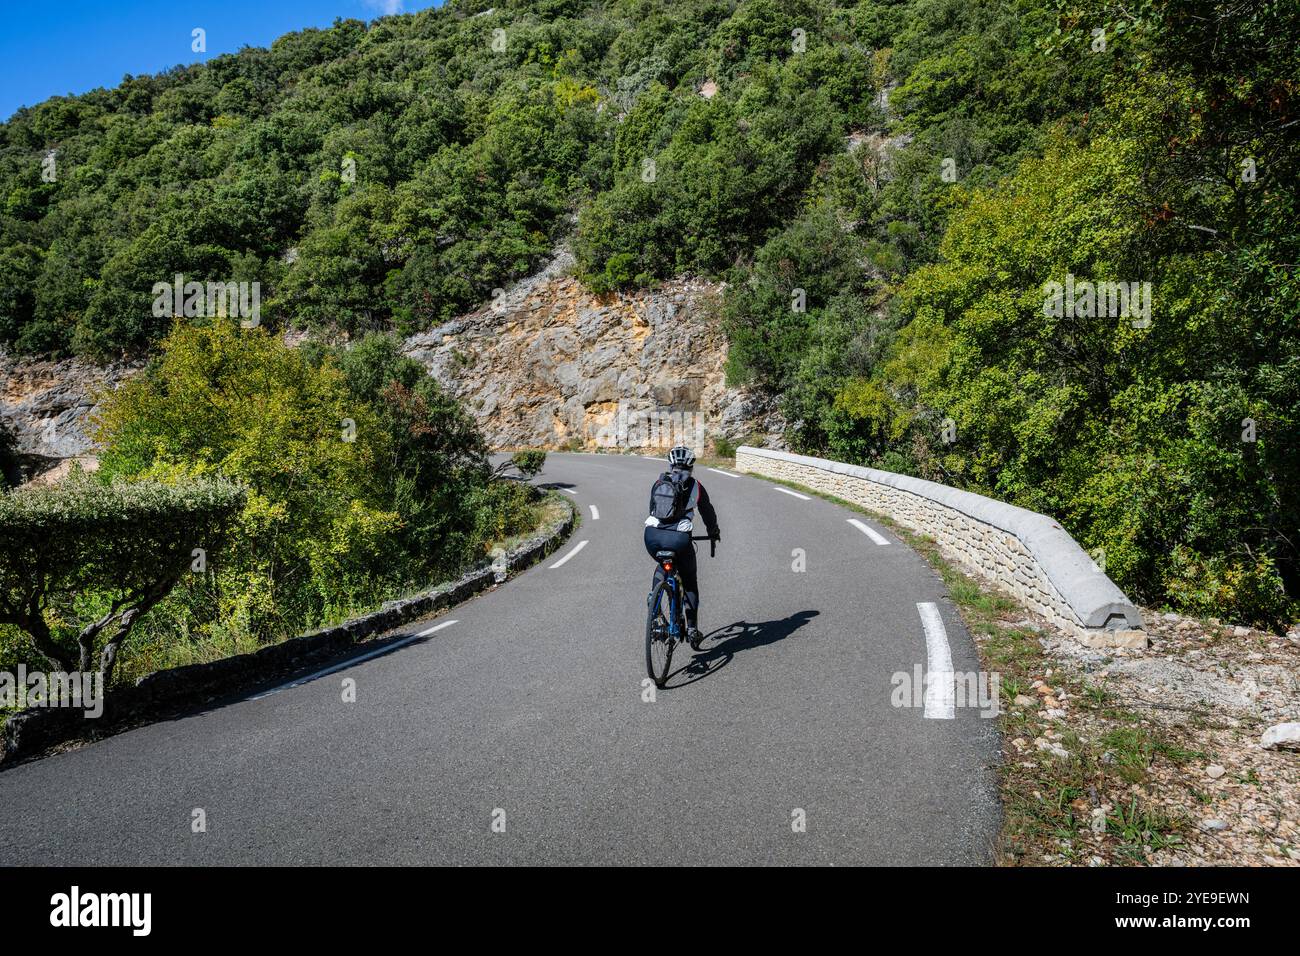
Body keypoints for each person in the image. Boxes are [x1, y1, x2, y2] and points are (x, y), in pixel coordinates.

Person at [644, 445, 720, 649]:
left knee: (663, 564)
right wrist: (713, 532)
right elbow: (708, 512)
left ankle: (655, 600)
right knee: (689, 581)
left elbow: (653, 510)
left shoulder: (659, 482)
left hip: (652, 536)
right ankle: (693, 628)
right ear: (691, 466)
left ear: (670, 465)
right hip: (679, 539)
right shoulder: (696, 486)